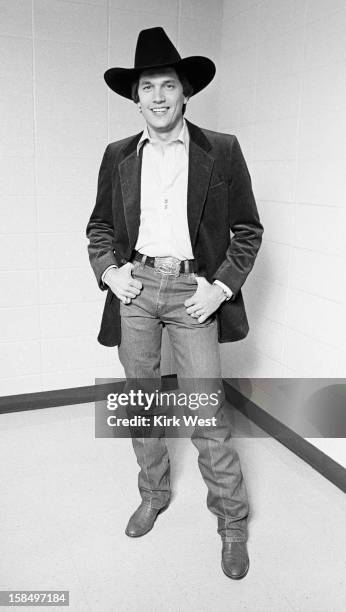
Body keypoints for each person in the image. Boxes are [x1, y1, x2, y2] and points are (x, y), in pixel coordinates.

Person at [86, 27, 263, 580]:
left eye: (168, 86)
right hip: (137, 287)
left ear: (185, 93)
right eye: (147, 87)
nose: (158, 97)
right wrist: (111, 272)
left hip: (194, 294)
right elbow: (99, 228)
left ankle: (232, 520)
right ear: (134, 98)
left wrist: (221, 287)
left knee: (205, 410)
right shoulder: (118, 155)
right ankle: (153, 493)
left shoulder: (223, 150)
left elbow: (247, 231)